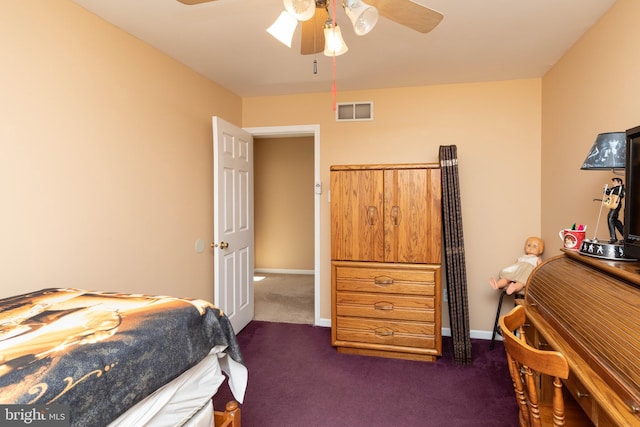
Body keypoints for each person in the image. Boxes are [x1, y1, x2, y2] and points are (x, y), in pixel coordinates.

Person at [605, 177, 624, 243]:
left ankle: (613, 238)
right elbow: (608, 193)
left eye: (615, 182)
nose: (613, 183)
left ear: (619, 182)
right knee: (615, 221)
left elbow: (622, 194)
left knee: (610, 218)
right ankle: (626, 236)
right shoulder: (613, 189)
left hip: (616, 205)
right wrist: (606, 190)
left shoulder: (622, 188)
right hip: (612, 205)